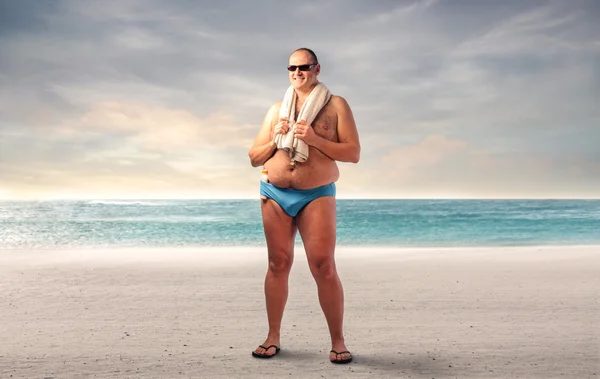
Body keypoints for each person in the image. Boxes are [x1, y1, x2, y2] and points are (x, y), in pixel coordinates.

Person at [247, 47, 361, 364]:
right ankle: (272, 337)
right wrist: (275, 139)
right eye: (292, 68)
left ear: (317, 68)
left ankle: (338, 342)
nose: (297, 73)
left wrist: (312, 139)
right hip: (274, 192)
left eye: (304, 67)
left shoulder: (336, 105)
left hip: (316, 193)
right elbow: (255, 158)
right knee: (277, 264)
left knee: (323, 265)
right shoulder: (275, 111)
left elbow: (352, 153)